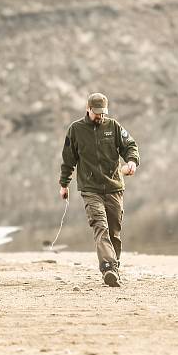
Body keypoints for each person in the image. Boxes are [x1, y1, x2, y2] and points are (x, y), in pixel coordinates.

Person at [59, 93, 140, 287]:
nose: (100, 117)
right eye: (96, 113)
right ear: (88, 109)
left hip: (114, 188)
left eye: (103, 113)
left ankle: (114, 268)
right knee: (100, 226)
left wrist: (131, 162)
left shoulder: (114, 127)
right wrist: (64, 184)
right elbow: (68, 160)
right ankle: (108, 267)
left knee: (114, 232)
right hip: (90, 189)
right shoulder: (76, 130)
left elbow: (130, 146)